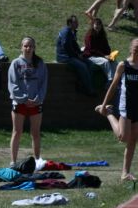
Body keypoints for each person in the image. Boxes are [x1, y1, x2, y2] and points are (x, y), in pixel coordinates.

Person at [97, 38, 138, 181]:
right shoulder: (123, 65)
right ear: (130, 48)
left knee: (133, 140)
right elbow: (113, 86)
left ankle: (125, 173)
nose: (137, 50)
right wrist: (103, 105)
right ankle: (108, 113)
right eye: (135, 47)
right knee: (123, 137)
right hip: (125, 104)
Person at [8, 37, 47, 167]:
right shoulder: (15, 63)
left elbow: (43, 83)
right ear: (21, 47)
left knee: (35, 132)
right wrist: (24, 98)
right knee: (17, 131)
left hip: (36, 103)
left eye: (30, 46)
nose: (28, 48)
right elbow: (12, 85)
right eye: (25, 46)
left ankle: (37, 160)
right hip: (20, 103)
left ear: (34, 48)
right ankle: (13, 161)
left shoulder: (40, 63)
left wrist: (37, 99)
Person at [56, 14, 96, 96]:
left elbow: (75, 45)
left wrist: (81, 54)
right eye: (75, 22)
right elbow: (66, 46)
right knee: (83, 66)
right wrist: (77, 56)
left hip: (71, 56)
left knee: (90, 63)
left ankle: (83, 85)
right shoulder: (66, 32)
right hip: (64, 57)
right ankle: (89, 90)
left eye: (77, 22)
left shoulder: (72, 32)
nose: (77, 24)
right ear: (70, 23)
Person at [82, 14, 115, 82]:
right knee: (105, 62)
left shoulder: (102, 35)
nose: (98, 26)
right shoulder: (89, 36)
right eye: (96, 24)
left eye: (99, 24)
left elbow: (107, 47)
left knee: (114, 62)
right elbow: (92, 50)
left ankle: (116, 80)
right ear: (93, 25)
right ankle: (110, 80)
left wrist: (109, 55)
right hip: (91, 56)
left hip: (100, 56)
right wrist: (104, 56)